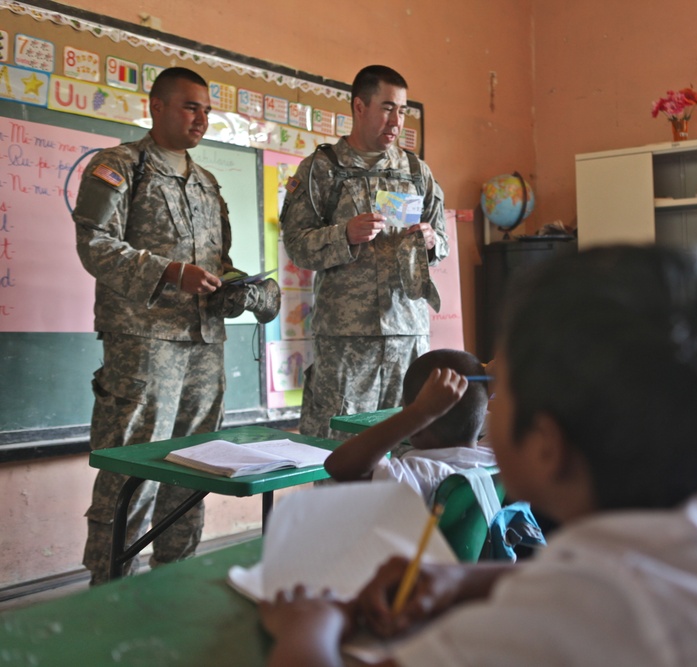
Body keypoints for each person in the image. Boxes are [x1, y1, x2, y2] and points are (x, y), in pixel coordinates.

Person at [259, 245, 697, 667]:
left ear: (547, 444)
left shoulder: (548, 623)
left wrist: (307, 632)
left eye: (504, 387)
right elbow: (602, 578)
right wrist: (462, 581)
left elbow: (583, 597)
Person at [73, 67, 280, 585]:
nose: (201, 118)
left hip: (205, 346)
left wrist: (240, 287)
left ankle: (175, 582)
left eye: (207, 109)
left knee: (196, 471)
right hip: (143, 348)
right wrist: (168, 272)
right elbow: (95, 246)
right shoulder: (119, 166)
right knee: (131, 473)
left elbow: (219, 260)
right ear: (157, 106)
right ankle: (109, 592)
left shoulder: (206, 183)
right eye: (190, 107)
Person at [280, 64, 448, 440]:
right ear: (359, 107)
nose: (396, 120)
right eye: (387, 108)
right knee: (338, 446)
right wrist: (344, 234)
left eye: (403, 111)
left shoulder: (416, 171)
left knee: (408, 445)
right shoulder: (322, 169)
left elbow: (443, 242)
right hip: (346, 340)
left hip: (408, 336)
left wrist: (432, 241)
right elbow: (296, 246)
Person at [324, 349, 495, 505]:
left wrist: (420, 412)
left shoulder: (418, 476)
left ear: (418, 426)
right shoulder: (497, 456)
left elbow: (338, 465)